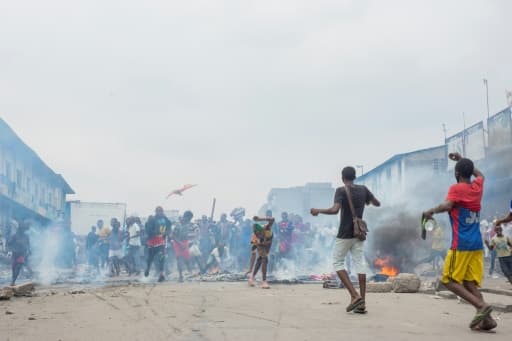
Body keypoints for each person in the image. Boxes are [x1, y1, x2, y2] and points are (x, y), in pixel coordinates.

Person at [423, 153, 496, 331]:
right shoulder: (477, 187)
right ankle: (487, 320)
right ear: (470, 172)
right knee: (468, 282)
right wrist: (463, 159)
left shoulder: (457, 189)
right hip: (477, 245)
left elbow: (448, 205)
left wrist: (431, 211)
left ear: (456, 173)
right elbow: (481, 176)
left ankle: (481, 307)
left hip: (461, 245)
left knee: (447, 280)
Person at [311, 166, 380, 314]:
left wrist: (318, 210)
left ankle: (354, 296)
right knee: (360, 263)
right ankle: (362, 303)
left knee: (337, 262)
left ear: (343, 178)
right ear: (355, 177)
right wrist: (366, 201)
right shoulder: (363, 189)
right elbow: (376, 203)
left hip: (345, 233)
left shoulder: (341, 190)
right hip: (359, 233)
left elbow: (335, 210)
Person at [145, 207, 172, 282]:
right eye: (158, 211)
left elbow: (169, 228)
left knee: (161, 257)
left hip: (161, 240)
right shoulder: (152, 219)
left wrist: (167, 233)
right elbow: (148, 230)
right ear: (156, 212)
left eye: (161, 211)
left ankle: (161, 274)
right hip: (153, 241)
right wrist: (154, 233)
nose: (160, 212)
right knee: (150, 258)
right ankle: (147, 268)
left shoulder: (165, 219)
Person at [248, 215, 275, 289]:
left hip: (268, 243)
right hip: (261, 245)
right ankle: (264, 281)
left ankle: (252, 277)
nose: (258, 235)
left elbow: (272, 219)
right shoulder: (255, 237)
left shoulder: (266, 228)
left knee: (260, 259)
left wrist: (260, 219)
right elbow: (253, 253)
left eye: (259, 233)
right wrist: (250, 268)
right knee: (264, 259)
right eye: (256, 234)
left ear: (262, 230)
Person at [7, 221, 30, 286]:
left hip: (22, 254)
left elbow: (28, 244)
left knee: (18, 267)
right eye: (22, 229)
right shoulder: (14, 236)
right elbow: (9, 244)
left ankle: (13, 281)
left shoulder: (26, 236)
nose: (23, 230)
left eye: (24, 229)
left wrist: (29, 251)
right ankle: (13, 279)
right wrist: (9, 251)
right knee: (14, 267)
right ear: (19, 229)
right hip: (15, 254)